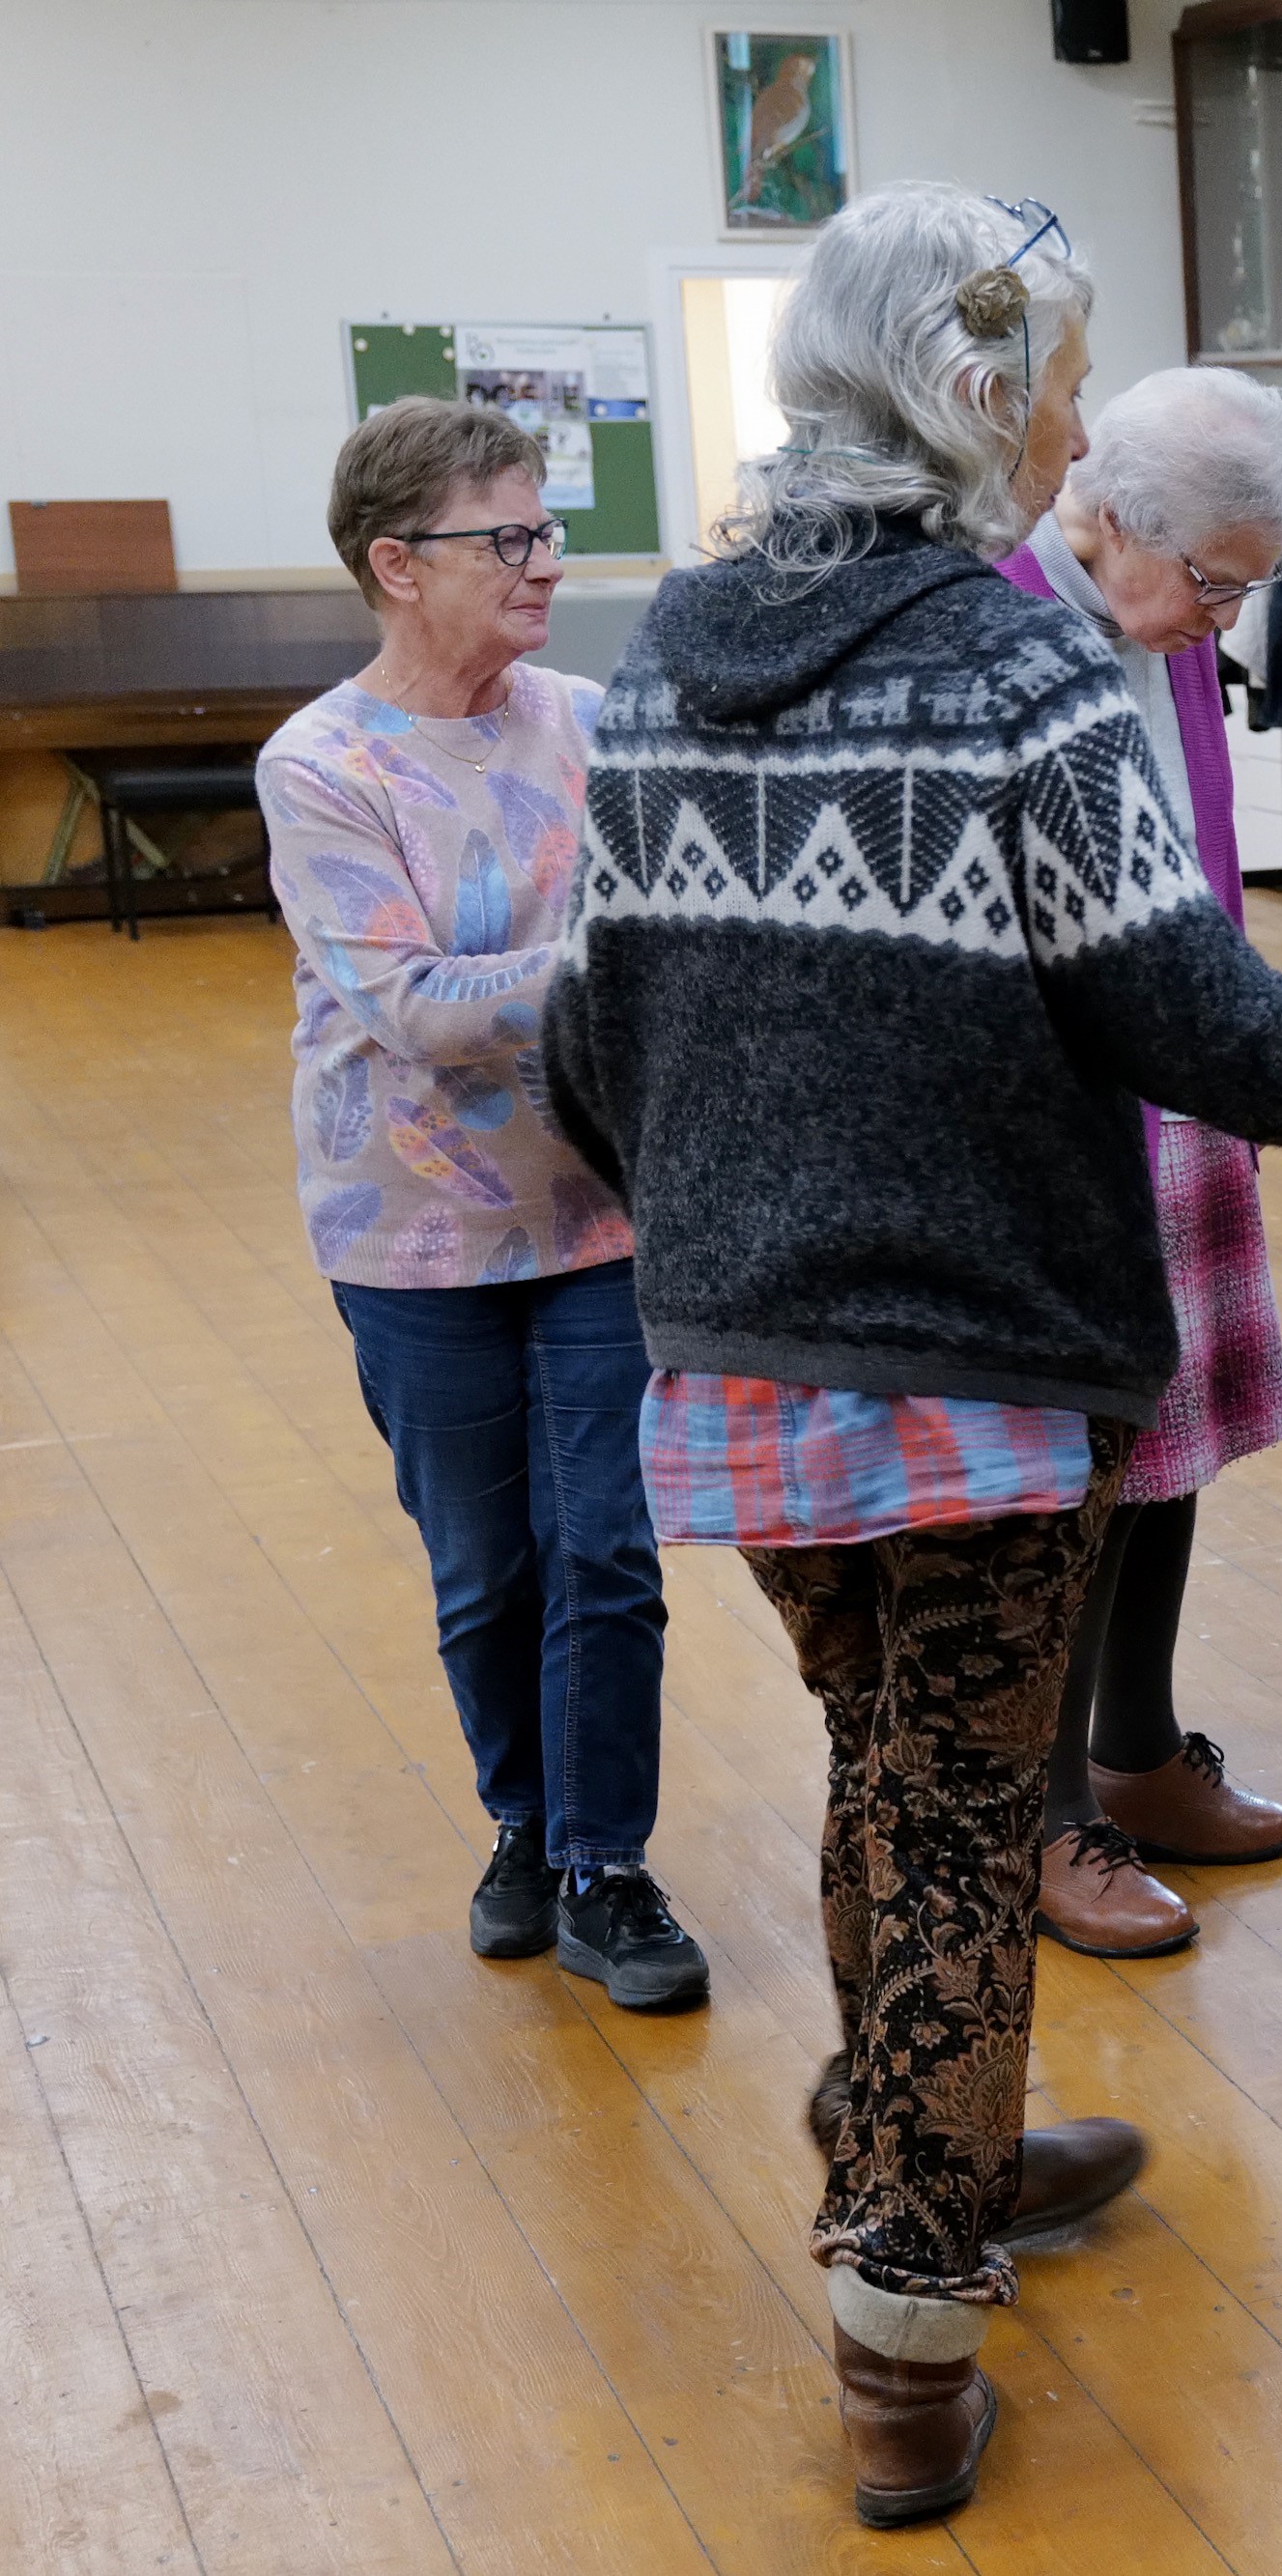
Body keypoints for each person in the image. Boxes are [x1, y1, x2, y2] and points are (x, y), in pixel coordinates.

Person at [541, 184, 1282, 2531]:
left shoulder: (668, 644)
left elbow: (582, 1034)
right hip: (979, 1372)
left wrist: (728, 1214)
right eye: (1061, 378)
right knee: (952, 1818)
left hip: (731, 1368)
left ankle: (914, 2135)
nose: (1074, 425)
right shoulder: (1010, 672)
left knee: (888, 1776)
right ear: (975, 388)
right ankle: (905, 2324)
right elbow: (1226, 1040)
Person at [264, 396, 703, 2014]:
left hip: (599, 1207)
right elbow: (408, 1004)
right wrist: (630, 953)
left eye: (546, 528)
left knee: (608, 1551)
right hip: (409, 1230)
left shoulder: (590, 719)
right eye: (507, 536)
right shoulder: (321, 764)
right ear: (398, 564)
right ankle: (522, 1822)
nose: (546, 562)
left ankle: (606, 1862)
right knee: (486, 1569)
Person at [998, 366, 1282, 1961]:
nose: (1223, 617)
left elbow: (1198, 855)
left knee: (1174, 1441)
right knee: (1080, 1470)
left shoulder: (1170, 623)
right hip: (1058, 1110)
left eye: (1247, 588)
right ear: (1114, 517)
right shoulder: (1000, 624)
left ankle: (1136, 1745)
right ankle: (1047, 1809)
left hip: (1176, 1073)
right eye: (1214, 580)